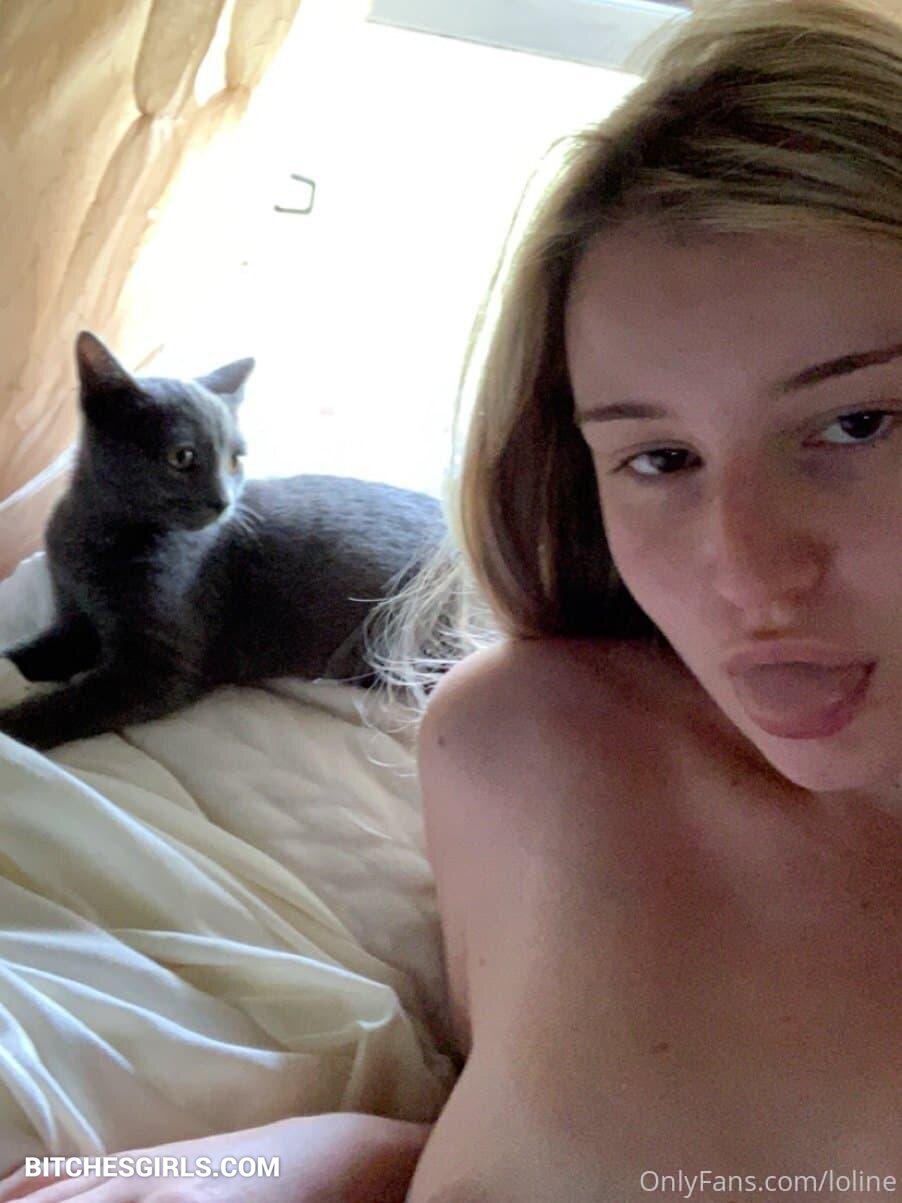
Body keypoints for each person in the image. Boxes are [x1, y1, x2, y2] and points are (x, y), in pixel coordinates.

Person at [2, 0, 898, 1199]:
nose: (740, 574)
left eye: (857, 423)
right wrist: (269, 1169)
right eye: (657, 457)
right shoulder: (514, 739)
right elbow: (507, 1125)